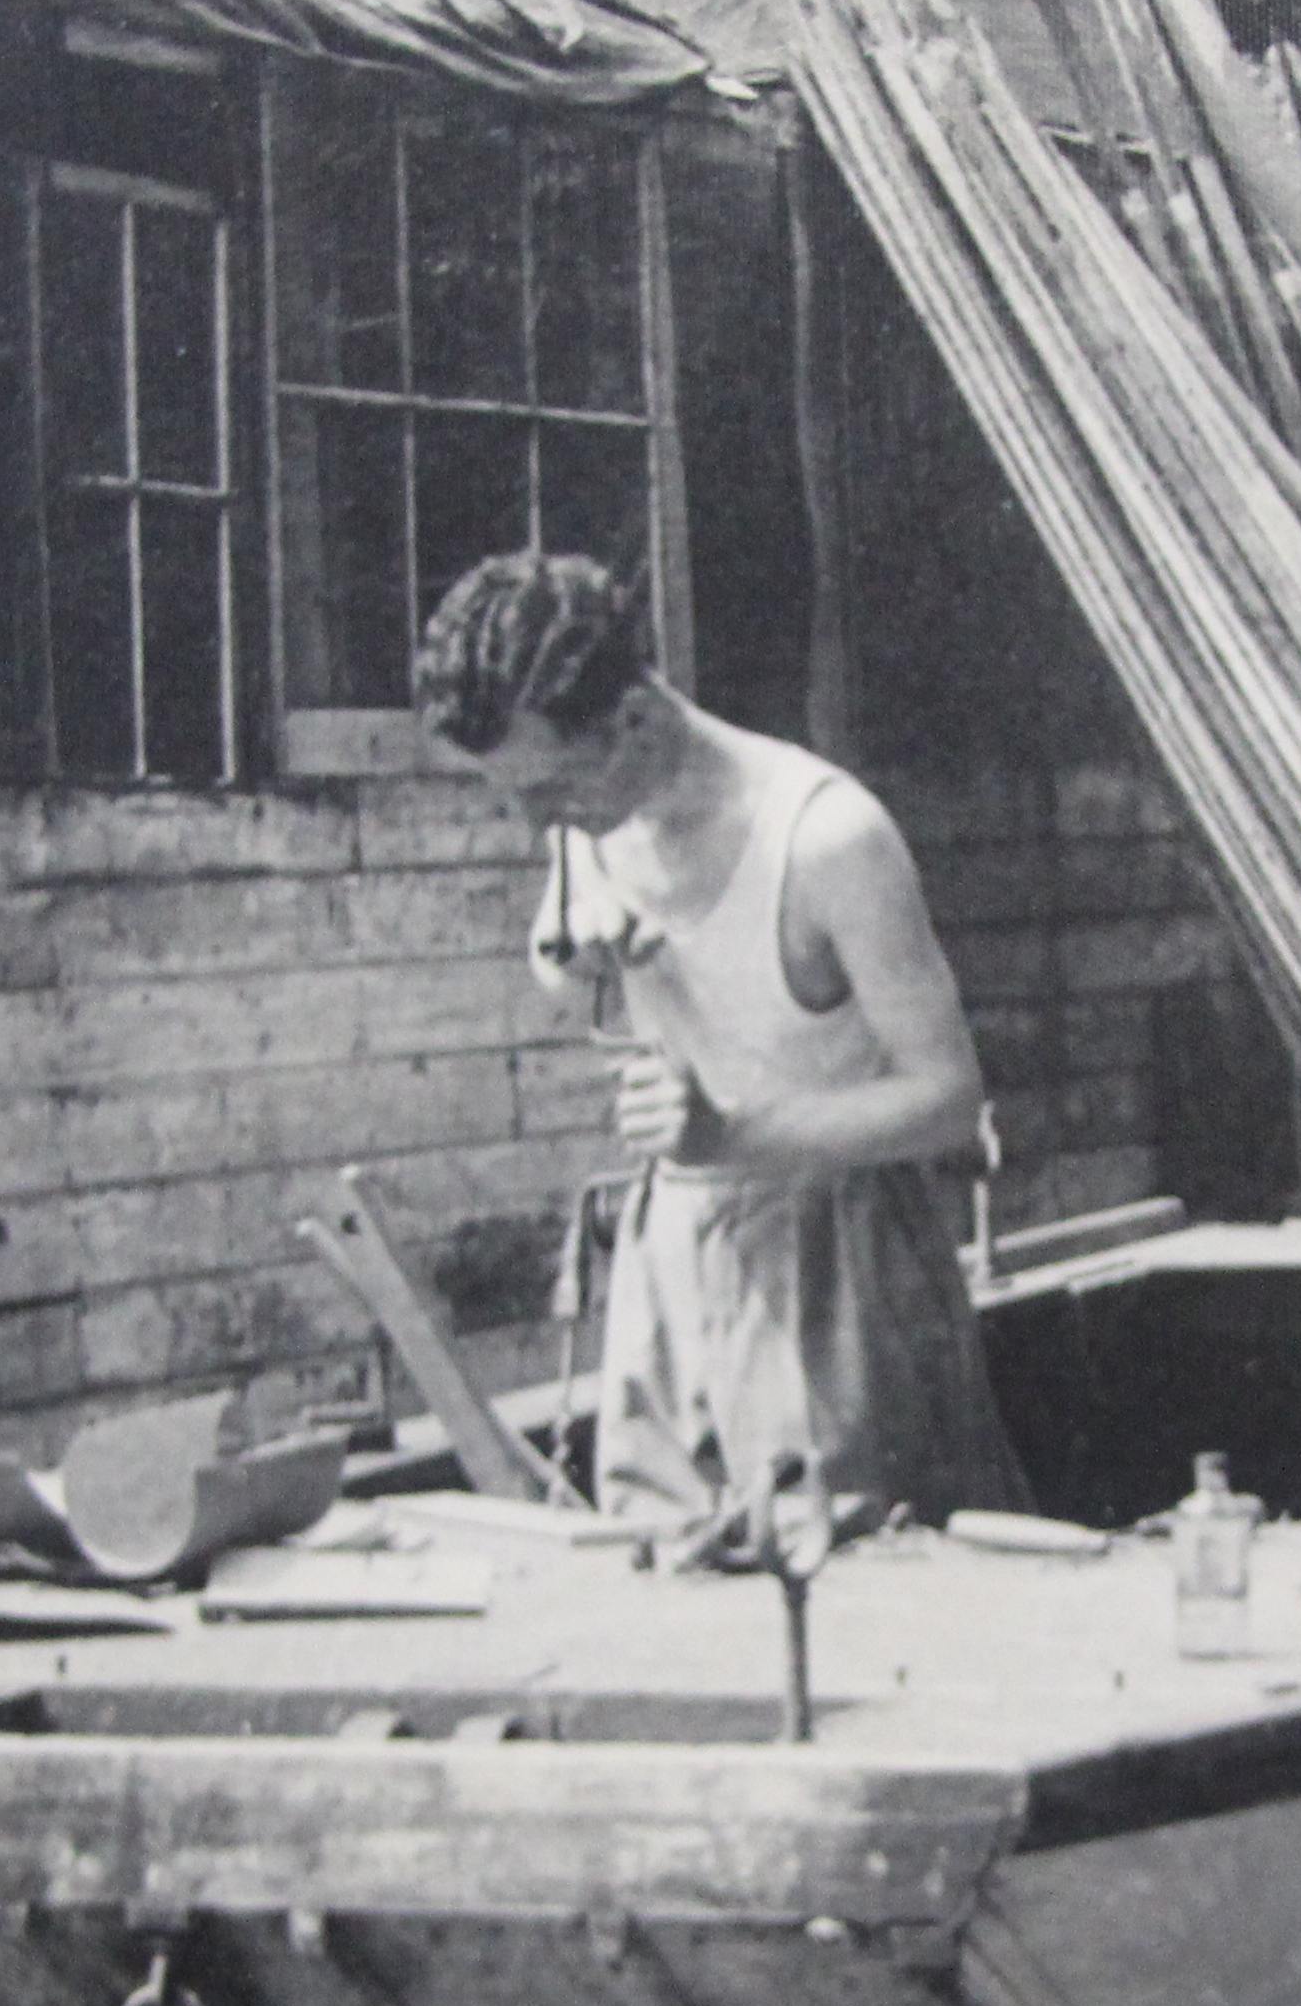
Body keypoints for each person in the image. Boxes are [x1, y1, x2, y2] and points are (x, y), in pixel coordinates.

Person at [416, 552, 1028, 1542]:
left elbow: (948, 1097)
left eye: (549, 788)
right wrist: (575, 944)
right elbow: (557, 947)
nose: (535, 821)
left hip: (837, 1270)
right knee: (665, 1576)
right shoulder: (589, 808)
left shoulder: (827, 840)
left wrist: (733, 1135)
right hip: (671, 1258)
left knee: (850, 1587)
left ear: (640, 720)